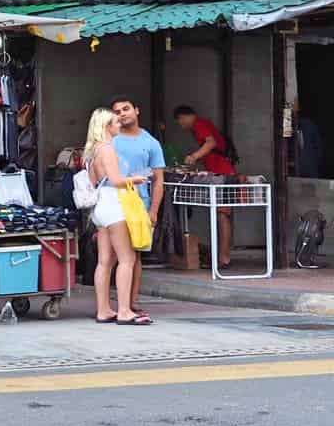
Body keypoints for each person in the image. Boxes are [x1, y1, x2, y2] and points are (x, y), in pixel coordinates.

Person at [84, 108, 152, 325]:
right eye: (115, 122)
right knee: (127, 259)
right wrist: (137, 179)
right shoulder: (108, 150)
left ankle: (103, 310)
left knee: (104, 261)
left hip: (100, 207)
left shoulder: (92, 151)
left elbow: (97, 181)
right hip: (115, 204)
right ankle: (124, 311)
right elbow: (115, 180)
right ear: (106, 126)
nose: (119, 124)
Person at [111, 97, 165, 322]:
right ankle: (108, 305)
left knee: (135, 255)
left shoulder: (151, 142)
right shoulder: (110, 139)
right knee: (110, 257)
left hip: (139, 204)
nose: (122, 114)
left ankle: (131, 302)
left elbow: (159, 180)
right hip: (113, 201)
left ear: (137, 110)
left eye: (126, 109)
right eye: (117, 111)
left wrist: (153, 210)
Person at [175, 105, 235, 268]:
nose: (182, 126)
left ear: (184, 117)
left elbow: (210, 143)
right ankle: (221, 255)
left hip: (221, 174)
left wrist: (194, 156)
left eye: (180, 122)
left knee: (222, 214)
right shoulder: (202, 125)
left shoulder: (199, 124)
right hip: (218, 173)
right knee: (221, 214)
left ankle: (224, 257)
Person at [295, 103, 324, 180]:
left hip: (311, 166)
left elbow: (318, 145)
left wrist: (316, 162)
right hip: (298, 169)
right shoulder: (289, 129)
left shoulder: (309, 125)